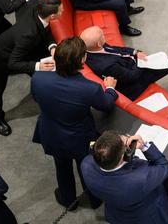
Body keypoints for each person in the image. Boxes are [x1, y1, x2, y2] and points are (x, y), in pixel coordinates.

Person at [31, 37, 118, 210]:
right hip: (79, 139)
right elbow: (106, 105)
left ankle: (67, 200)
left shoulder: (38, 78)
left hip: (51, 133)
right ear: (82, 60)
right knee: (86, 168)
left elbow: (36, 98)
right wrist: (110, 88)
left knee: (61, 167)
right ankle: (94, 200)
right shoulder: (89, 88)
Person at [0, 0, 61, 136]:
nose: (63, 11)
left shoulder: (40, 12)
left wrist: (52, 47)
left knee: (40, 75)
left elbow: (46, 30)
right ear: (53, 15)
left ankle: (46, 99)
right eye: (61, 10)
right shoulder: (28, 35)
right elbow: (13, 63)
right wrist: (38, 66)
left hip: (19, 51)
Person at [81, 131, 168, 224]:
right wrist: (144, 146)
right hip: (147, 216)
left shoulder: (86, 164)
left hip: (117, 214)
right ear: (124, 155)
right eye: (125, 143)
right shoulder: (140, 179)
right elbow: (164, 167)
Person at [81, 26, 168, 100]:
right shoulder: (106, 66)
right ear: (98, 43)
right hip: (133, 85)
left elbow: (118, 50)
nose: (105, 36)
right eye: (102, 35)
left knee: (162, 62)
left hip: (130, 66)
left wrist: (135, 52)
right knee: (164, 64)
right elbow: (131, 77)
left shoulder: (93, 47)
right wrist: (141, 63)